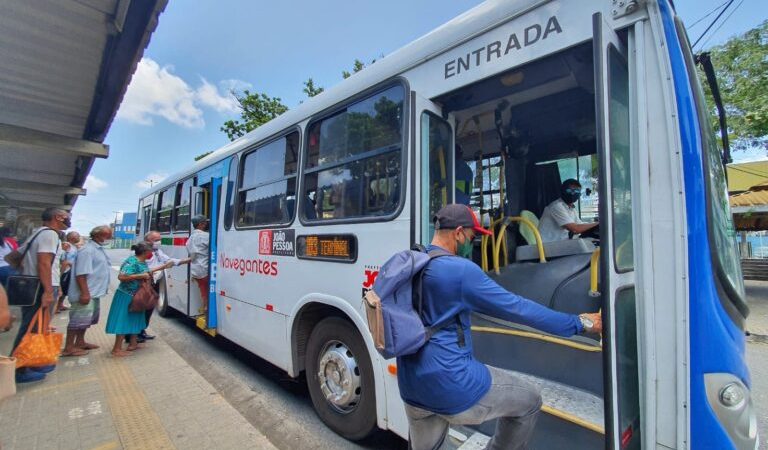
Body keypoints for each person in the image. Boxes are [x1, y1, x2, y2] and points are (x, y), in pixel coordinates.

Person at [398, 204, 602, 450]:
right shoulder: (460, 271)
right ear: (459, 233)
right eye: (472, 237)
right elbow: (518, 308)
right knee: (529, 401)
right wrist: (580, 322)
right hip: (451, 386)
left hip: (410, 386)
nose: (471, 244)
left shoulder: (413, 261)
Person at [11, 207, 71, 383]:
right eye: (67, 217)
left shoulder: (38, 233)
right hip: (40, 285)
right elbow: (44, 263)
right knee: (31, 328)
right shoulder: (50, 235)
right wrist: (47, 290)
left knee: (37, 326)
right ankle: (19, 369)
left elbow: (15, 258)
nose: (68, 219)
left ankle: (33, 361)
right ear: (57, 217)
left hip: (34, 283)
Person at [106, 242, 164, 357]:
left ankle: (133, 343)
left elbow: (146, 272)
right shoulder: (131, 262)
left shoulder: (141, 261)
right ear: (145, 252)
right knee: (124, 320)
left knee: (135, 319)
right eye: (150, 252)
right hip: (126, 295)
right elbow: (121, 277)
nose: (151, 254)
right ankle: (116, 349)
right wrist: (140, 276)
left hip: (138, 295)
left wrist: (164, 266)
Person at [61, 226, 112, 357]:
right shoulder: (87, 251)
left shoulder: (97, 249)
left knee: (85, 320)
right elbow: (81, 274)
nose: (110, 238)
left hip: (94, 292)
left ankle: (80, 342)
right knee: (77, 320)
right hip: (86, 293)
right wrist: (85, 293)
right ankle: (68, 348)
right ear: (98, 236)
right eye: (107, 235)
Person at [138, 231, 190, 341]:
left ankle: (141, 331)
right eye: (156, 240)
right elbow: (143, 270)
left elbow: (168, 260)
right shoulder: (141, 252)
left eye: (159, 239)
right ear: (148, 241)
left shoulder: (157, 251)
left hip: (153, 283)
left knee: (148, 309)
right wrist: (163, 267)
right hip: (142, 284)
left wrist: (186, 261)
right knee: (139, 310)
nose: (159, 242)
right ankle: (134, 335)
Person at [537, 179, 598, 243]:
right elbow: (575, 229)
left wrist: (596, 224)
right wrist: (600, 223)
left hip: (561, 242)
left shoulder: (571, 208)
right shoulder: (556, 206)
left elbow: (580, 225)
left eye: (576, 191)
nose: (573, 193)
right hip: (549, 246)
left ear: (579, 194)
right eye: (569, 190)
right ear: (563, 191)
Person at [186, 215, 210, 314]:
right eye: (205, 222)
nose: (206, 224)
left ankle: (205, 308)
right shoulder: (206, 236)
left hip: (195, 270)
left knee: (203, 291)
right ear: (201, 224)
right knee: (208, 291)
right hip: (205, 269)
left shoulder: (191, 237)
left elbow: (190, 251)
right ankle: (207, 309)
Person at [56, 231, 81, 313]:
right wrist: (61, 273)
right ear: (72, 237)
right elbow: (62, 259)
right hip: (65, 270)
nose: (79, 237)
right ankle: (56, 306)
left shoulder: (74, 247)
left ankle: (60, 304)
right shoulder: (66, 245)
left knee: (65, 289)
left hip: (70, 270)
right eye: (77, 236)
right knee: (62, 288)